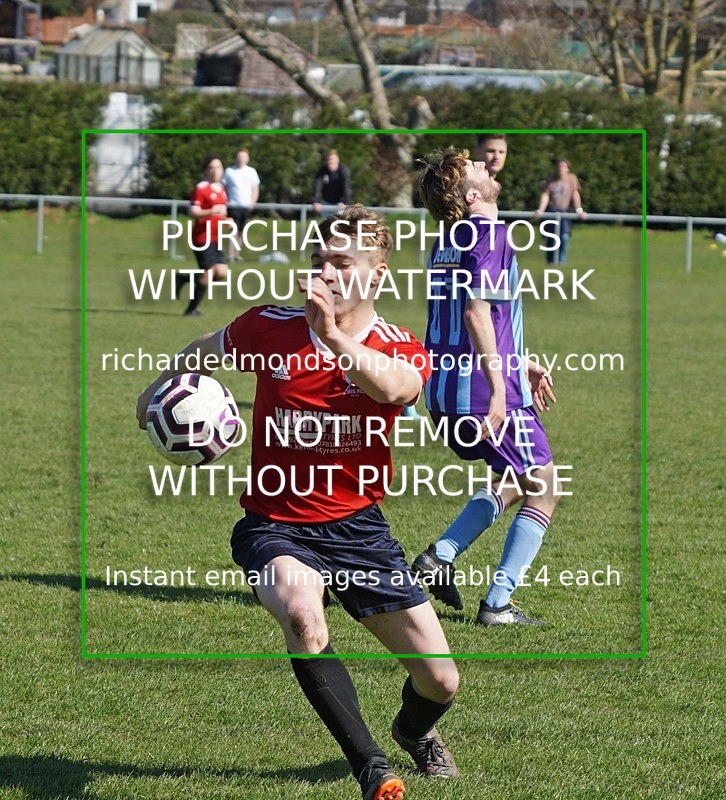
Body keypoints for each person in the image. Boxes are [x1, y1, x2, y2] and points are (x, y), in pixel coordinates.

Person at [137, 205, 459, 800]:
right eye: (318, 260)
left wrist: (334, 336)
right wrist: (156, 391)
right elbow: (202, 348)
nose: (325, 273)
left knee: (441, 681)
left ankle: (413, 732)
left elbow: (397, 388)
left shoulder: (399, 346)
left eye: (342, 262)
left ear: (378, 273)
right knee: (304, 617)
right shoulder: (269, 327)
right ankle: (372, 768)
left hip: (359, 530)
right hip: (274, 525)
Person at [412, 147, 561, 627]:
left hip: (446, 391)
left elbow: (468, 316)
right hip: (483, 392)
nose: (483, 164)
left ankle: (440, 556)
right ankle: (498, 604)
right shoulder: (490, 233)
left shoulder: (447, 240)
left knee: (514, 480)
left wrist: (520, 362)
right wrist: (500, 388)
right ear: (472, 195)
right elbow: (477, 313)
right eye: (475, 167)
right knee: (546, 488)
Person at [178, 154, 229, 317]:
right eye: (211, 167)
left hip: (216, 238)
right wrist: (211, 211)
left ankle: (183, 278)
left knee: (222, 272)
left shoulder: (222, 189)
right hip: (202, 237)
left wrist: (227, 221)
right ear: (205, 170)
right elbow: (193, 212)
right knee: (208, 272)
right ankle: (191, 310)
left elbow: (221, 214)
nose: (215, 170)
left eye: (218, 167)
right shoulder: (201, 188)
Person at [534, 157, 586, 266]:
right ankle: (550, 262)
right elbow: (546, 195)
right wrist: (541, 209)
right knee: (550, 237)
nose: (560, 168)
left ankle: (561, 262)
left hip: (564, 212)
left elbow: (575, 194)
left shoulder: (572, 179)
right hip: (552, 211)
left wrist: (579, 209)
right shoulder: (550, 179)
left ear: (568, 168)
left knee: (564, 236)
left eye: (563, 166)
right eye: (558, 166)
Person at [222, 148, 260, 261]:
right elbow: (223, 187)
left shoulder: (251, 171)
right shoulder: (229, 171)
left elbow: (255, 189)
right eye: (239, 157)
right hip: (232, 205)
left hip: (246, 206)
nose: (241, 159)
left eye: (243, 157)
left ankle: (237, 254)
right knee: (233, 229)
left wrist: (252, 203)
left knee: (241, 231)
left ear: (247, 159)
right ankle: (230, 254)